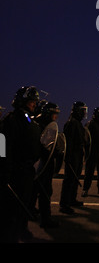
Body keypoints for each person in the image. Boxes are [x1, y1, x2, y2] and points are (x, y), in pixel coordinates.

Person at [0, 86, 41, 242]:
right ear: (22, 101)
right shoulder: (11, 119)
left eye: (35, 102)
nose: (34, 104)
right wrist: (4, 170)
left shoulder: (28, 118)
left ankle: (21, 230)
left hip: (27, 170)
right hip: (14, 171)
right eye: (31, 101)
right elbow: (2, 145)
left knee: (24, 205)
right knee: (10, 210)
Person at [32, 101, 61, 228]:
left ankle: (30, 211)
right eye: (54, 114)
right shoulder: (40, 126)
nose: (55, 116)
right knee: (44, 192)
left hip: (41, 164)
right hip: (42, 163)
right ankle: (45, 219)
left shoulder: (40, 124)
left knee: (35, 190)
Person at [59, 101, 87, 214]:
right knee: (69, 179)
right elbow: (69, 142)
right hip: (73, 155)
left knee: (75, 178)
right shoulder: (71, 123)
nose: (84, 113)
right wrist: (69, 157)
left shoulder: (77, 123)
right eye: (82, 110)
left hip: (78, 154)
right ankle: (64, 204)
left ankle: (72, 199)